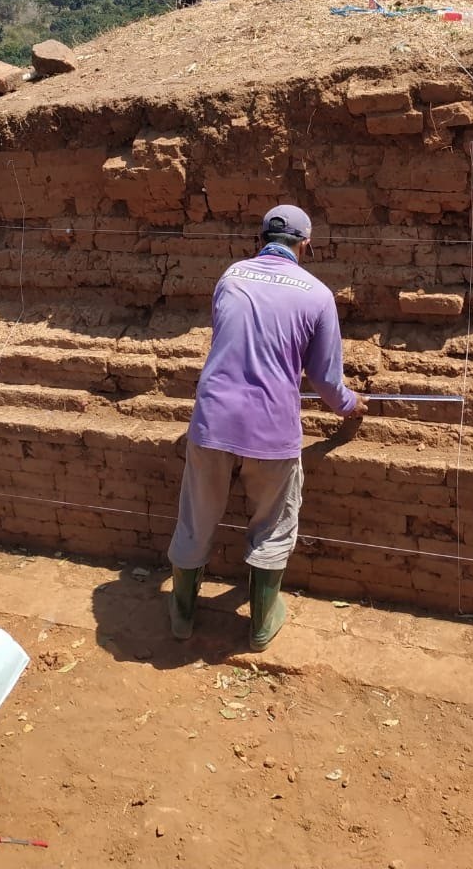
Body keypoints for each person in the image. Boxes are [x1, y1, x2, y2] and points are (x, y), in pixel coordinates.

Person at [167, 204, 366, 650]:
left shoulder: (231, 277)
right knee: (274, 525)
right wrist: (351, 406)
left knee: (195, 520)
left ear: (261, 238)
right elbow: (326, 379)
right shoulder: (316, 295)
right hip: (271, 431)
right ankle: (260, 624)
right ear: (305, 244)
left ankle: (181, 616)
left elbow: (228, 343)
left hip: (212, 421)